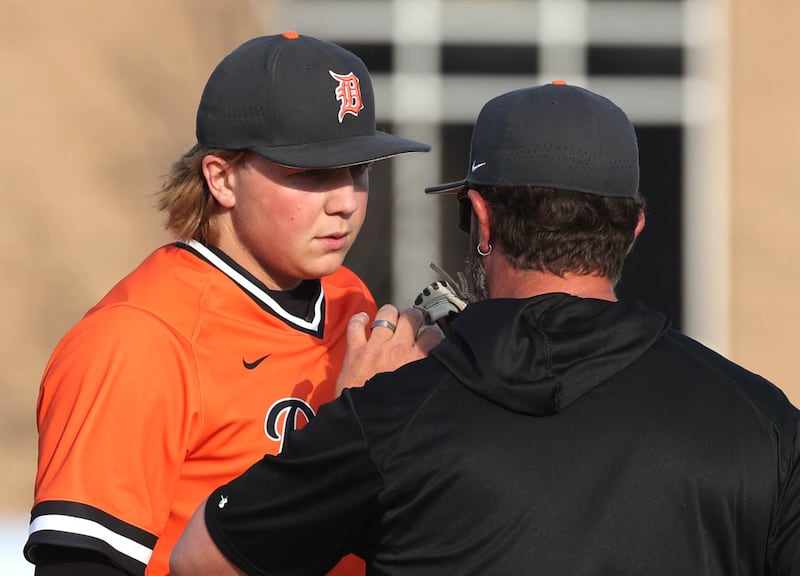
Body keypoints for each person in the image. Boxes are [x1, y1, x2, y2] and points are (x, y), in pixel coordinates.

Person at [170, 81, 800, 575]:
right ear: (634, 229)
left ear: (481, 219)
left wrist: (351, 414)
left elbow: (200, 560)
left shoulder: (390, 411)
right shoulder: (762, 422)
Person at [23, 31, 439, 576]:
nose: (345, 201)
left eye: (358, 170)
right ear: (221, 178)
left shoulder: (349, 298)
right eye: (311, 174)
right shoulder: (137, 339)